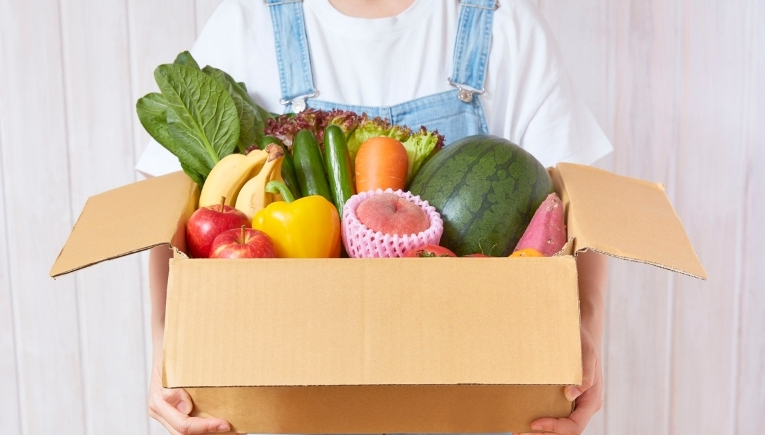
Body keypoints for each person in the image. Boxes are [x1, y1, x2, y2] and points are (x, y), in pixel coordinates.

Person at [138, 1, 612, 434]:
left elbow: (579, 205)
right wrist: (167, 345)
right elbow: (170, 217)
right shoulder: (248, 25)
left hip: (459, 392)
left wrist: (586, 330)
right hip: (292, 394)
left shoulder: (502, 27)